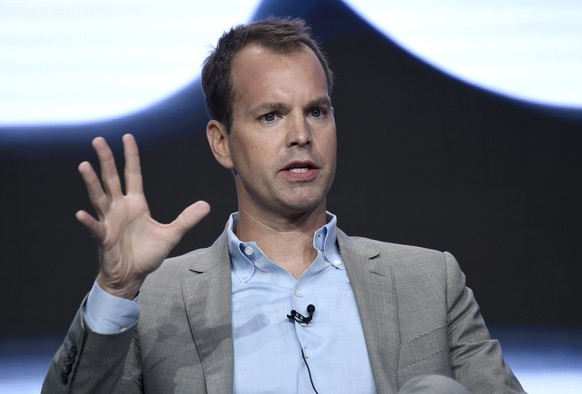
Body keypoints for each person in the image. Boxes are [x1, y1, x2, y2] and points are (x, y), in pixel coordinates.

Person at [42, 18, 525, 393]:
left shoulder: (429, 282)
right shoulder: (154, 300)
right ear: (222, 142)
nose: (301, 135)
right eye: (271, 116)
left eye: (316, 111)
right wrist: (117, 289)